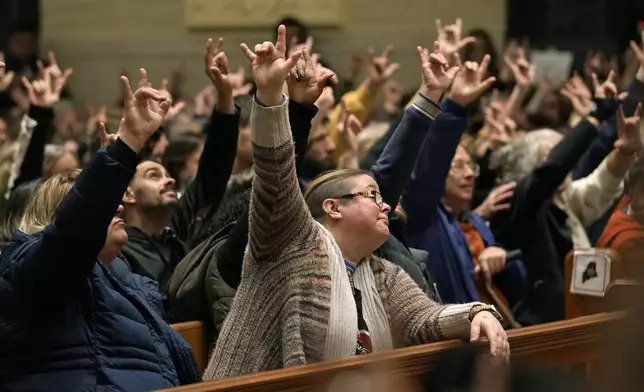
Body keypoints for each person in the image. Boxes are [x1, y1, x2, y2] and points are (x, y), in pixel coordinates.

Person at [204, 25, 508, 380]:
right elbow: (274, 175)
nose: (387, 207)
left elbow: (424, 318)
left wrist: (477, 313)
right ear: (333, 208)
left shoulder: (380, 272)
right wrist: (271, 96)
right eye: (373, 197)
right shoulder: (293, 243)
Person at [0, 70, 200, 391]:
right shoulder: (27, 269)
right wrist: (127, 147)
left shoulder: (129, 281)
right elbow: (72, 237)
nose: (117, 206)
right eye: (105, 204)